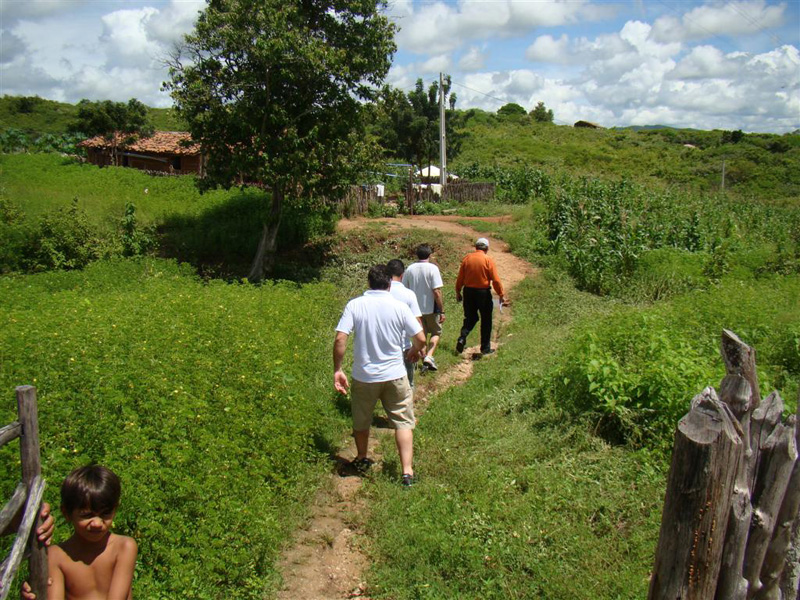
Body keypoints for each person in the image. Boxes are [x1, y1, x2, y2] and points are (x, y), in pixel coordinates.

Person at [334, 265, 426, 486]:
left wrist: (338, 369)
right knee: (403, 422)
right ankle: (407, 472)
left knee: (361, 421)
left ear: (369, 283)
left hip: (364, 376)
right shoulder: (399, 306)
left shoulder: (355, 305)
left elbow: (340, 339)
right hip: (395, 374)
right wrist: (414, 351)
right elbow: (421, 338)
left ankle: (362, 458)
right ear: (389, 284)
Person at [31, 465, 138, 600]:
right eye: (87, 515)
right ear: (66, 513)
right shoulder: (56, 556)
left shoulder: (124, 547)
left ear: (115, 510)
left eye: (105, 514)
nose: (97, 523)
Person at [455, 237, 508, 356]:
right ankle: (485, 348)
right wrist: (501, 294)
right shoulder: (488, 260)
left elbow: (460, 278)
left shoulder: (467, 259)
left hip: (468, 292)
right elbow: (495, 280)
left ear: (476, 247)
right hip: (483, 293)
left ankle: (462, 337)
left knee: (470, 317)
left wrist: (458, 291)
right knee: (486, 319)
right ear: (487, 248)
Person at [402, 245, 445, 372]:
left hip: (414, 310)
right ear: (429, 255)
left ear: (417, 255)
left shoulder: (410, 269)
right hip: (431, 308)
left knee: (421, 335)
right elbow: (436, 291)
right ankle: (429, 357)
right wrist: (442, 310)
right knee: (436, 332)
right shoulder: (433, 269)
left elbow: (405, 289)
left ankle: (423, 360)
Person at [386, 259, 423, 387]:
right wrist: (419, 346)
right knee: (408, 384)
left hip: (383, 346)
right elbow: (417, 321)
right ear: (402, 275)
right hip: (404, 346)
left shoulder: (382, 292)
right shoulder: (408, 294)